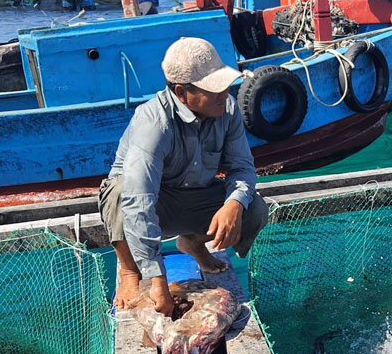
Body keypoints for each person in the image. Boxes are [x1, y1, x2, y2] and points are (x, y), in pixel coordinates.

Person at [99, 37, 268, 317]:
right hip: (154, 202)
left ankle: (193, 243)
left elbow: (242, 167)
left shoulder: (228, 109)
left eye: (224, 85)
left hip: (196, 194)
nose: (224, 93)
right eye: (214, 89)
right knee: (119, 190)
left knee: (254, 209)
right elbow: (139, 201)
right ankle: (129, 270)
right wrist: (157, 281)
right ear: (181, 92)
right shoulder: (152, 122)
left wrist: (233, 204)